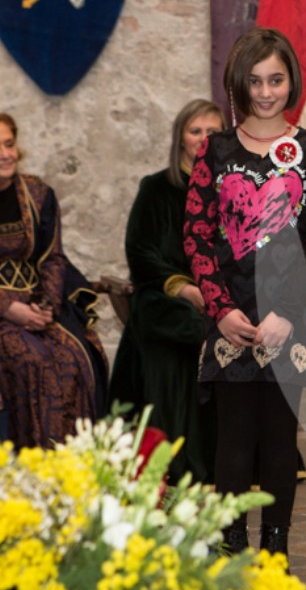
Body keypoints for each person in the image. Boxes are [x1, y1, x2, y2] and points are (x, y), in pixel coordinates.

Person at [183, 28, 306, 557]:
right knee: (231, 442)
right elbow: (197, 234)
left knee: (278, 443)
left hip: (287, 319)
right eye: (255, 81)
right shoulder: (215, 149)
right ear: (238, 83)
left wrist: (287, 312)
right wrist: (221, 310)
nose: (266, 92)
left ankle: (275, 553)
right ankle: (230, 549)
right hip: (232, 317)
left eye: (276, 79)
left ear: (291, 80)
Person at [110, 99, 224, 483]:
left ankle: (232, 456)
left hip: (219, 295)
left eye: (212, 132)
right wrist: (185, 288)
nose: (203, 139)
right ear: (180, 138)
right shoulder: (157, 188)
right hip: (163, 295)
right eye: (195, 131)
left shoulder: (233, 190)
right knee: (184, 327)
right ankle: (173, 458)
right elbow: (140, 251)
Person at [0, 112, 107, 449]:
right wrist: (9, 308)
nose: (5, 154)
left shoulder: (37, 193)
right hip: (4, 311)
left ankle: (73, 466)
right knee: (30, 360)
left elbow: (53, 257)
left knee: (77, 356)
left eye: (9, 144)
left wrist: (46, 305)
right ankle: (29, 464)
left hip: (35, 304)